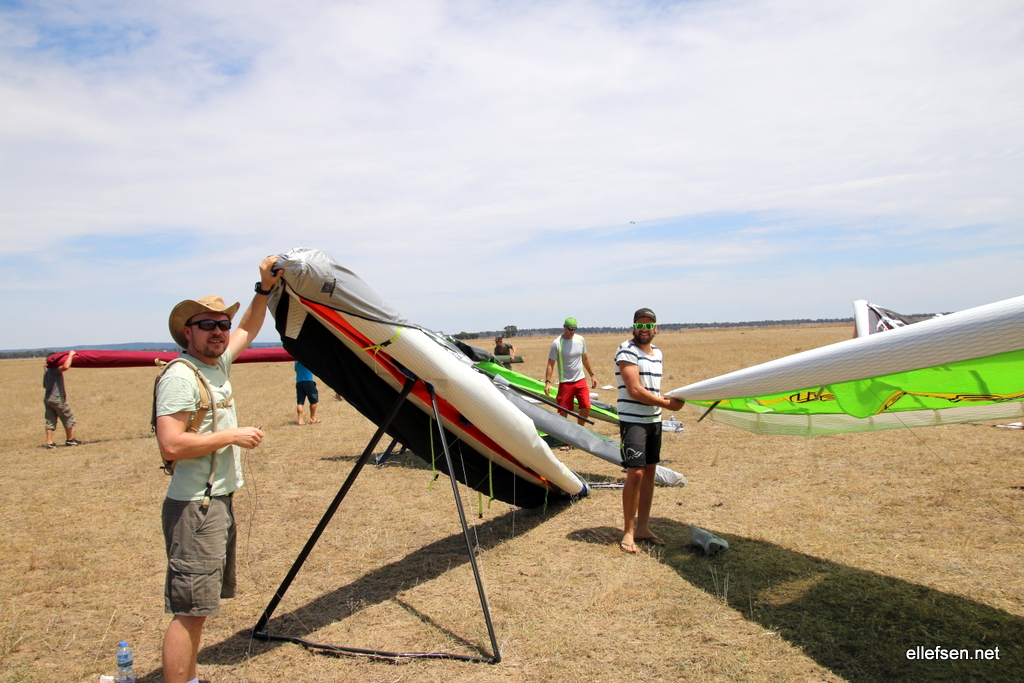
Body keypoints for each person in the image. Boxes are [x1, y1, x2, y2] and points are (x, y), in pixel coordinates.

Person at [155, 256, 281, 683]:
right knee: (190, 611)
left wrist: (264, 289)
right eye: (206, 324)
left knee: (201, 607)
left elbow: (250, 326)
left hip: (215, 503)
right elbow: (171, 443)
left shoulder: (216, 365)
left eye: (221, 324)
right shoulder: (181, 376)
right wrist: (232, 435)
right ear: (187, 332)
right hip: (196, 507)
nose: (219, 331)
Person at [615, 307, 683, 554]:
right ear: (634, 327)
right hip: (633, 420)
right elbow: (634, 390)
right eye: (640, 325)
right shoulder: (626, 350)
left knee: (650, 472)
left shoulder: (657, 353)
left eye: (648, 325)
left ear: (656, 329)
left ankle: (643, 527)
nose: (644, 330)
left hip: (654, 420)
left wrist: (666, 402)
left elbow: (652, 388)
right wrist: (666, 404)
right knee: (635, 473)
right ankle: (628, 531)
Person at [544, 317, 597, 426]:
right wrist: (548, 382)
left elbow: (585, 359)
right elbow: (550, 364)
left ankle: (579, 430)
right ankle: (564, 433)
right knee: (563, 411)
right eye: (570, 329)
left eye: (574, 329)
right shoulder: (557, 343)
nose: (572, 332)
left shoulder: (580, 340)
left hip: (580, 380)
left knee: (586, 406)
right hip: (565, 382)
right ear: (564, 327)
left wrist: (592, 375)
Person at [43, 349, 79, 448]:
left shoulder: (47, 372)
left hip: (48, 398)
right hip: (57, 398)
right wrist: (71, 355)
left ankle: (49, 443)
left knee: (50, 420)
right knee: (68, 417)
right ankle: (69, 440)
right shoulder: (55, 369)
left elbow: (45, 386)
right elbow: (66, 367)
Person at [294, 360, 320, 424]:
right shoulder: (309, 359)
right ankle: (312, 418)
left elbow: (296, 369)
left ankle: (300, 419)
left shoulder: (296, 360)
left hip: (299, 382)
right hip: (309, 382)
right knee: (313, 401)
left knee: (300, 402)